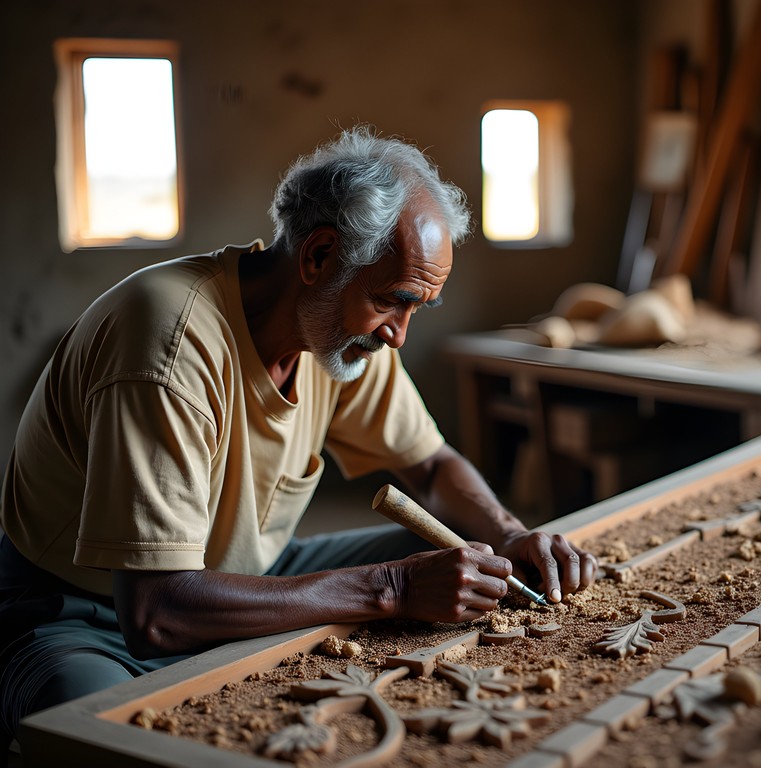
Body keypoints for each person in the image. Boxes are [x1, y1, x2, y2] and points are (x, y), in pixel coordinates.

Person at [0, 126, 598, 748]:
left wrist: (508, 532)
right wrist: (390, 590)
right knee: (96, 738)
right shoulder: (169, 344)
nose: (399, 335)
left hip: (241, 573)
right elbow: (155, 612)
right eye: (394, 302)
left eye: (416, 308)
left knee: (471, 563)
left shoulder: (340, 334)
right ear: (317, 257)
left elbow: (429, 466)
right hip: (85, 610)